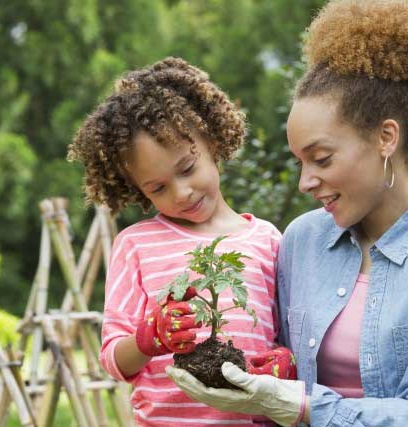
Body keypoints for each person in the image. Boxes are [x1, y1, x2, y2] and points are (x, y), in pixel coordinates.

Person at [166, 1, 408, 426]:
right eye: (300, 163)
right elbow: (287, 368)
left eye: (322, 159)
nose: (305, 181)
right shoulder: (303, 241)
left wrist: (304, 407)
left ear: (386, 137)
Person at [68, 57, 296, 427]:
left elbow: (293, 335)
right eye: (157, 188)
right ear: (137, 189)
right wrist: (147, 339)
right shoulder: (135, 246)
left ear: (212, 141)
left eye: (187, 168)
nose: (182, 192)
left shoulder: (269, 240)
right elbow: (112, 358)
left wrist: (285, 361)